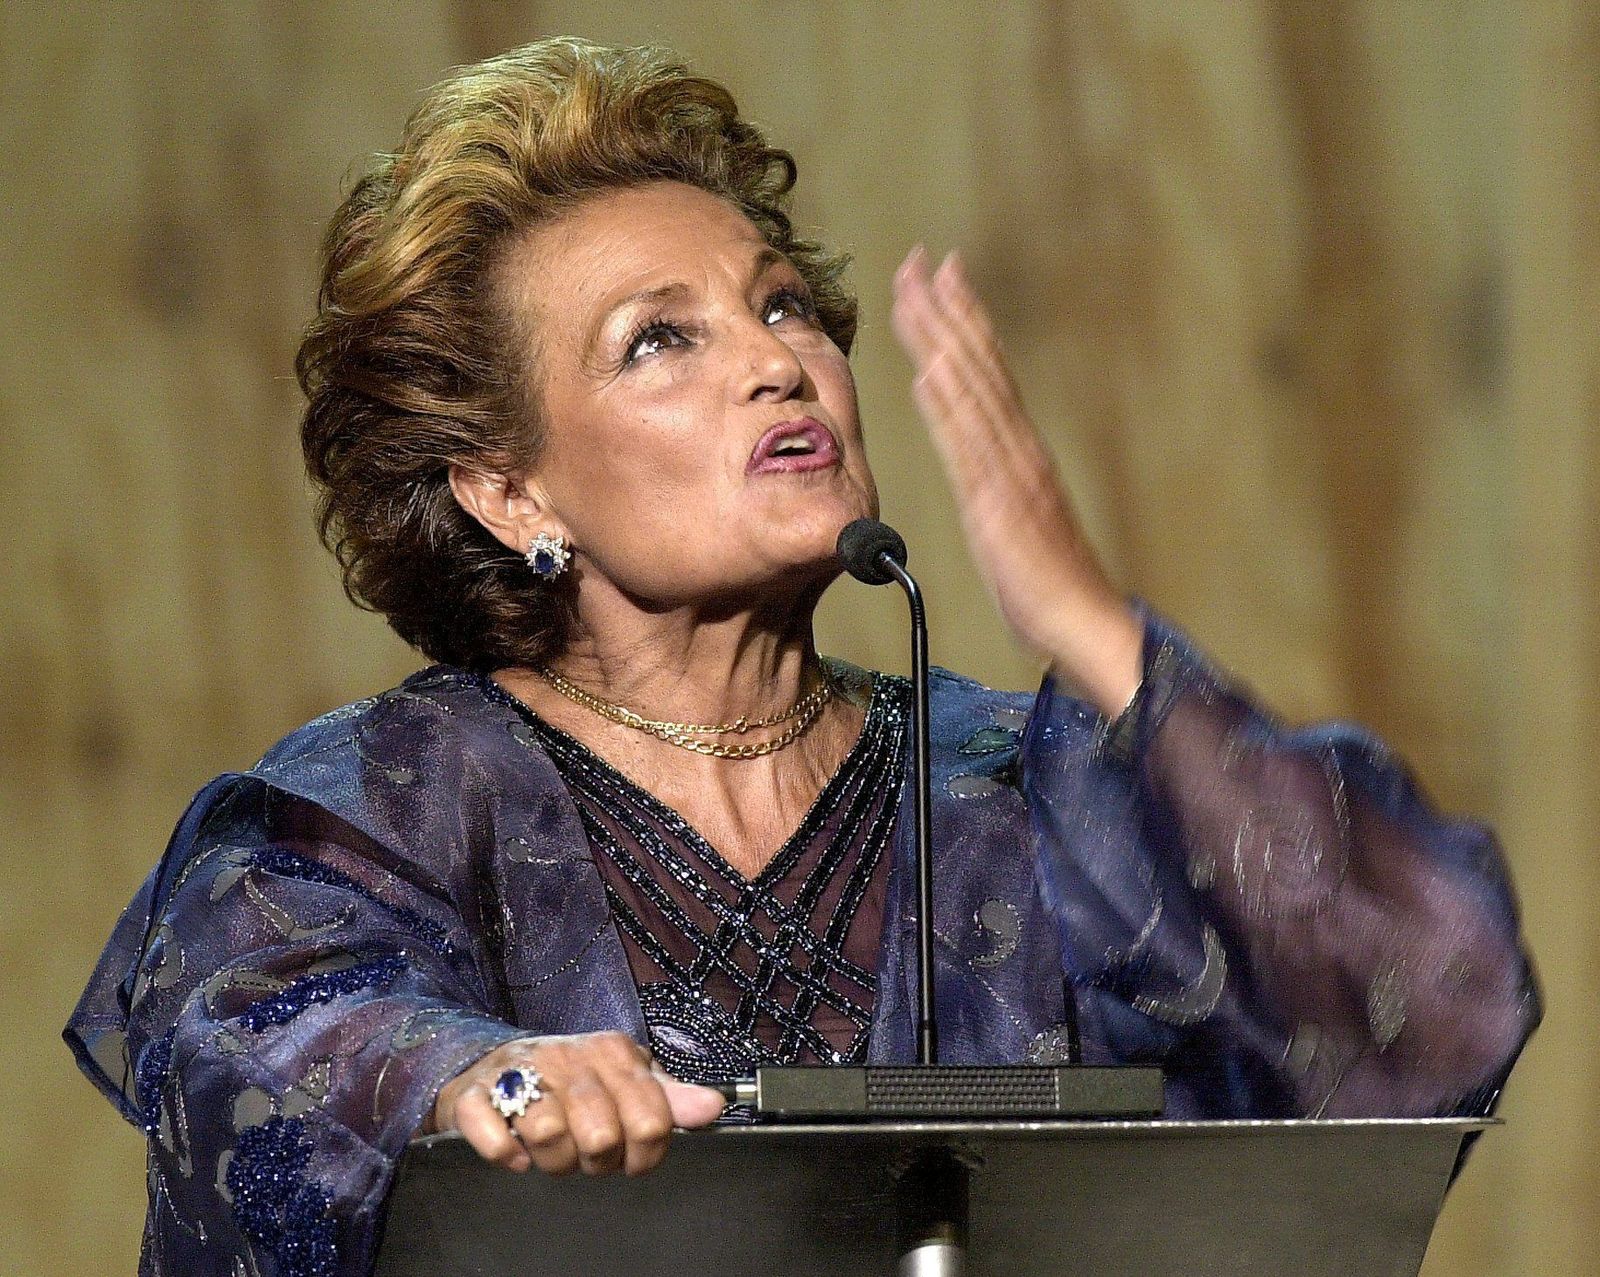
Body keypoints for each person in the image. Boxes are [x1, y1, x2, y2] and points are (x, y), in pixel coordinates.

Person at [66, 37, 1538, 1277]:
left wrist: (1090, 625)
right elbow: (257, 1020)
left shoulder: (1014, 792)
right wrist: (476, 1076)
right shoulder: (396, 793)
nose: (779, 359)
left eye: (782, 305)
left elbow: (1436, 987)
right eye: (660, 341)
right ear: (510, 488)